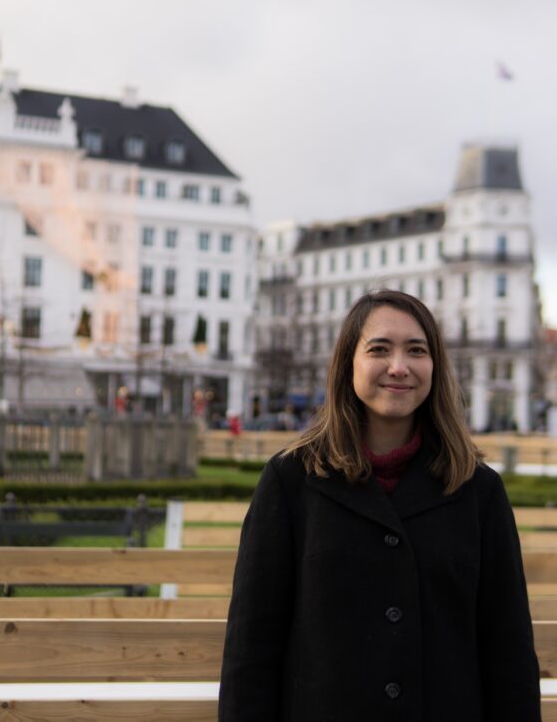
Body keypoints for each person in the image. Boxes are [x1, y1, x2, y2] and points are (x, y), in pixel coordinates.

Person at [219, 290, 540, 721]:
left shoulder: (479, 490)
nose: (399, 367)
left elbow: (509, 650)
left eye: (417, 350)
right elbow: (251, 648)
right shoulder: (291, 481)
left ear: (435, 366)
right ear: (349, 363)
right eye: (379, 349)